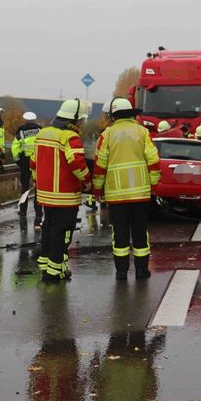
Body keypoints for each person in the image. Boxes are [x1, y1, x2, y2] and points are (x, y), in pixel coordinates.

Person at [92, 98, 161, 281]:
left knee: (120, 234)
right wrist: (153, 184)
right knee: (140, 233)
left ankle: (121, 272)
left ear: (113, 115)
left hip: (116, 196)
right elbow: (154, 161)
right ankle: (141, 271)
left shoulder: (107, 135)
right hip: (140, 194)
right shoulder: (142, 132)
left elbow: (100, 165)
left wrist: (97, 189)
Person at [31, 99, 91, 283]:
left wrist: (37, 181)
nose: (81, 123)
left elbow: (33, 162)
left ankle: (48, 267)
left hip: (45, 194)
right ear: (73, 119)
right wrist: (87, 182)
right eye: (80, 120)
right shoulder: (70, 137)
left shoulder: (42, 134)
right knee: (62, 233)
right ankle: (54, 273)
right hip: (65, 196)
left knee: (48, 229)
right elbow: (77, 164)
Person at [11, 111, 42, 227]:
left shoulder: (21, 131)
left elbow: (15, 147)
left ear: (25, 120)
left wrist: (18, 161)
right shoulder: (40, 130)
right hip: (38, 160)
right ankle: (38, 212)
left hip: (25, 161)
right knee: (38, 187)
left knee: (24, 187)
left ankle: (23, 211)